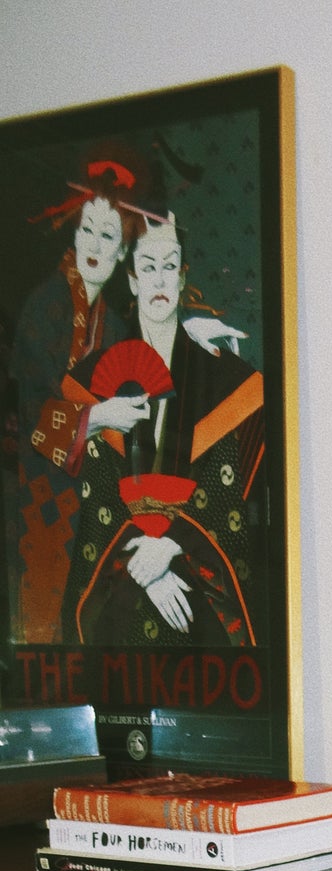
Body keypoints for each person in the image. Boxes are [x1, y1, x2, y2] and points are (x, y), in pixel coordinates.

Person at [56, 215, 265, 653]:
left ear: (183, 276)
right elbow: (98, 502)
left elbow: (225, 492)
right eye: (147, 267)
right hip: (122, 581)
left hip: (195, 579)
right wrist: (140, 564)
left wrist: (170, 546)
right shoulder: (95, 380)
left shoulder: (219, 376)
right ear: (131, 281)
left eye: (169, 266)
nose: (158, 279)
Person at [7, 150, 148, 645]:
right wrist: (97, 416)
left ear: (124, 252)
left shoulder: (121, 328)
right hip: (36, 501)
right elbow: (30, 420)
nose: (93, 244)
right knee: (42, 638)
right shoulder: (41, 308)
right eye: (87, 229)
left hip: (96, 508)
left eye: (108, 236)